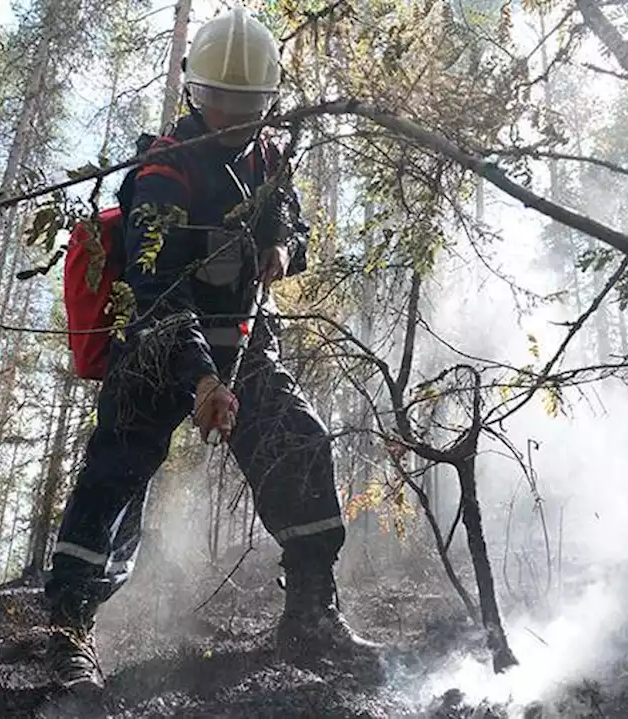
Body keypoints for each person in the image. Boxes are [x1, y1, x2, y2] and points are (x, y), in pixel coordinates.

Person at [43, 4, 381, 693]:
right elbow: (158, 290)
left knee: (300, 439)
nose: (229, 118)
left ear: (267, 102)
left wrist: (284, 248)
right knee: (116, 464)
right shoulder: (165, 169)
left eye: (245, 104)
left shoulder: (269, 162)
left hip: (245, 344)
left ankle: (312, 608)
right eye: (217, 101)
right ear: (195, 93)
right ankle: (70, 627)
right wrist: (200, 382)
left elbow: (293, 218)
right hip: (159, 344)